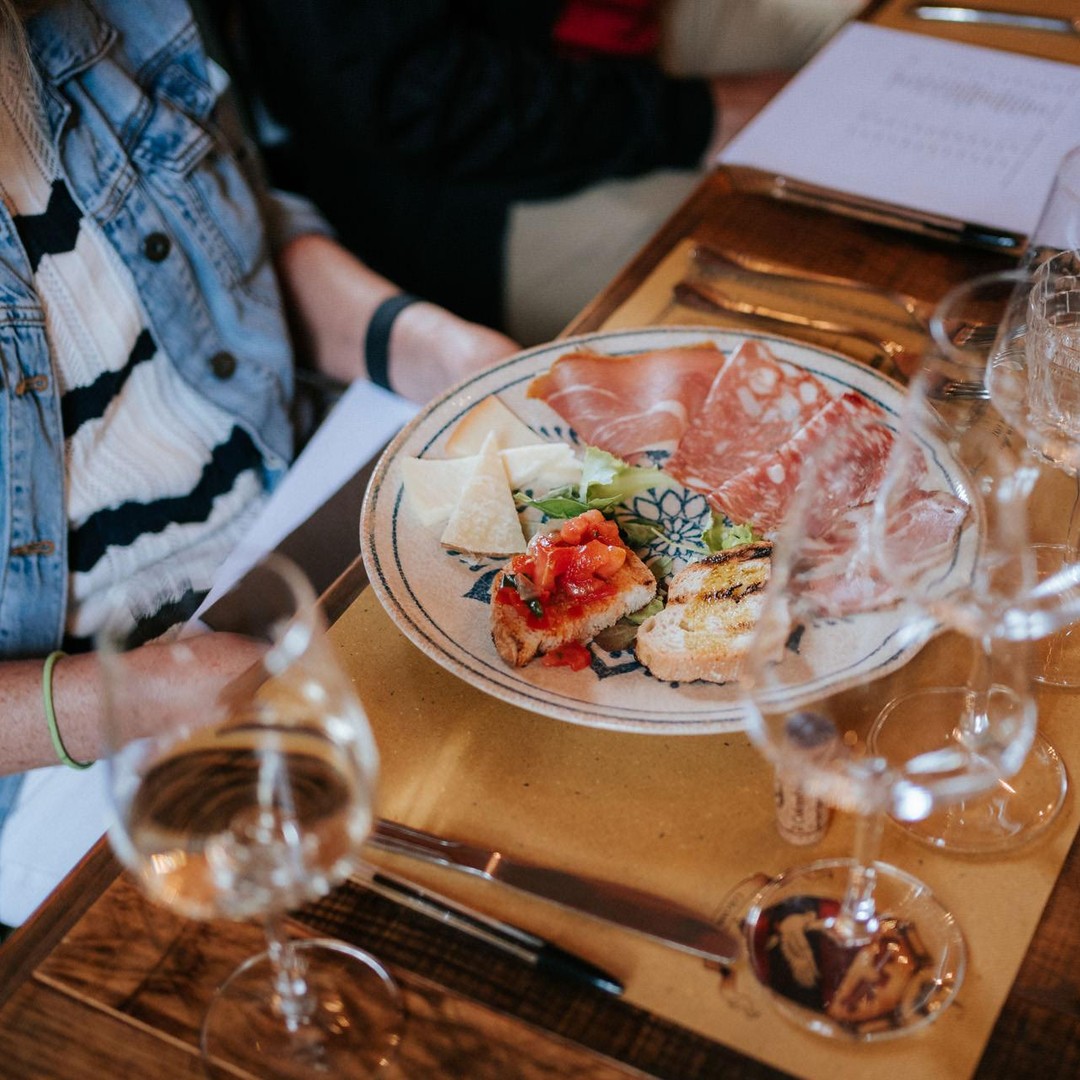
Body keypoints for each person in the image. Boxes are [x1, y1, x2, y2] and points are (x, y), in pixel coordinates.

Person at [0, 0, 516, 931]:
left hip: (310, 520)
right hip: (79, 741)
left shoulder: (97, 16)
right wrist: (132, 697)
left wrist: (423, 343)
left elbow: (244, 234)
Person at [221, 0, 804, 345]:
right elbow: (413, 98)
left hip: (587, 36)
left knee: (848, 43)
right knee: (776, 254)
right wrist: (698, 116)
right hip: (463, 177)